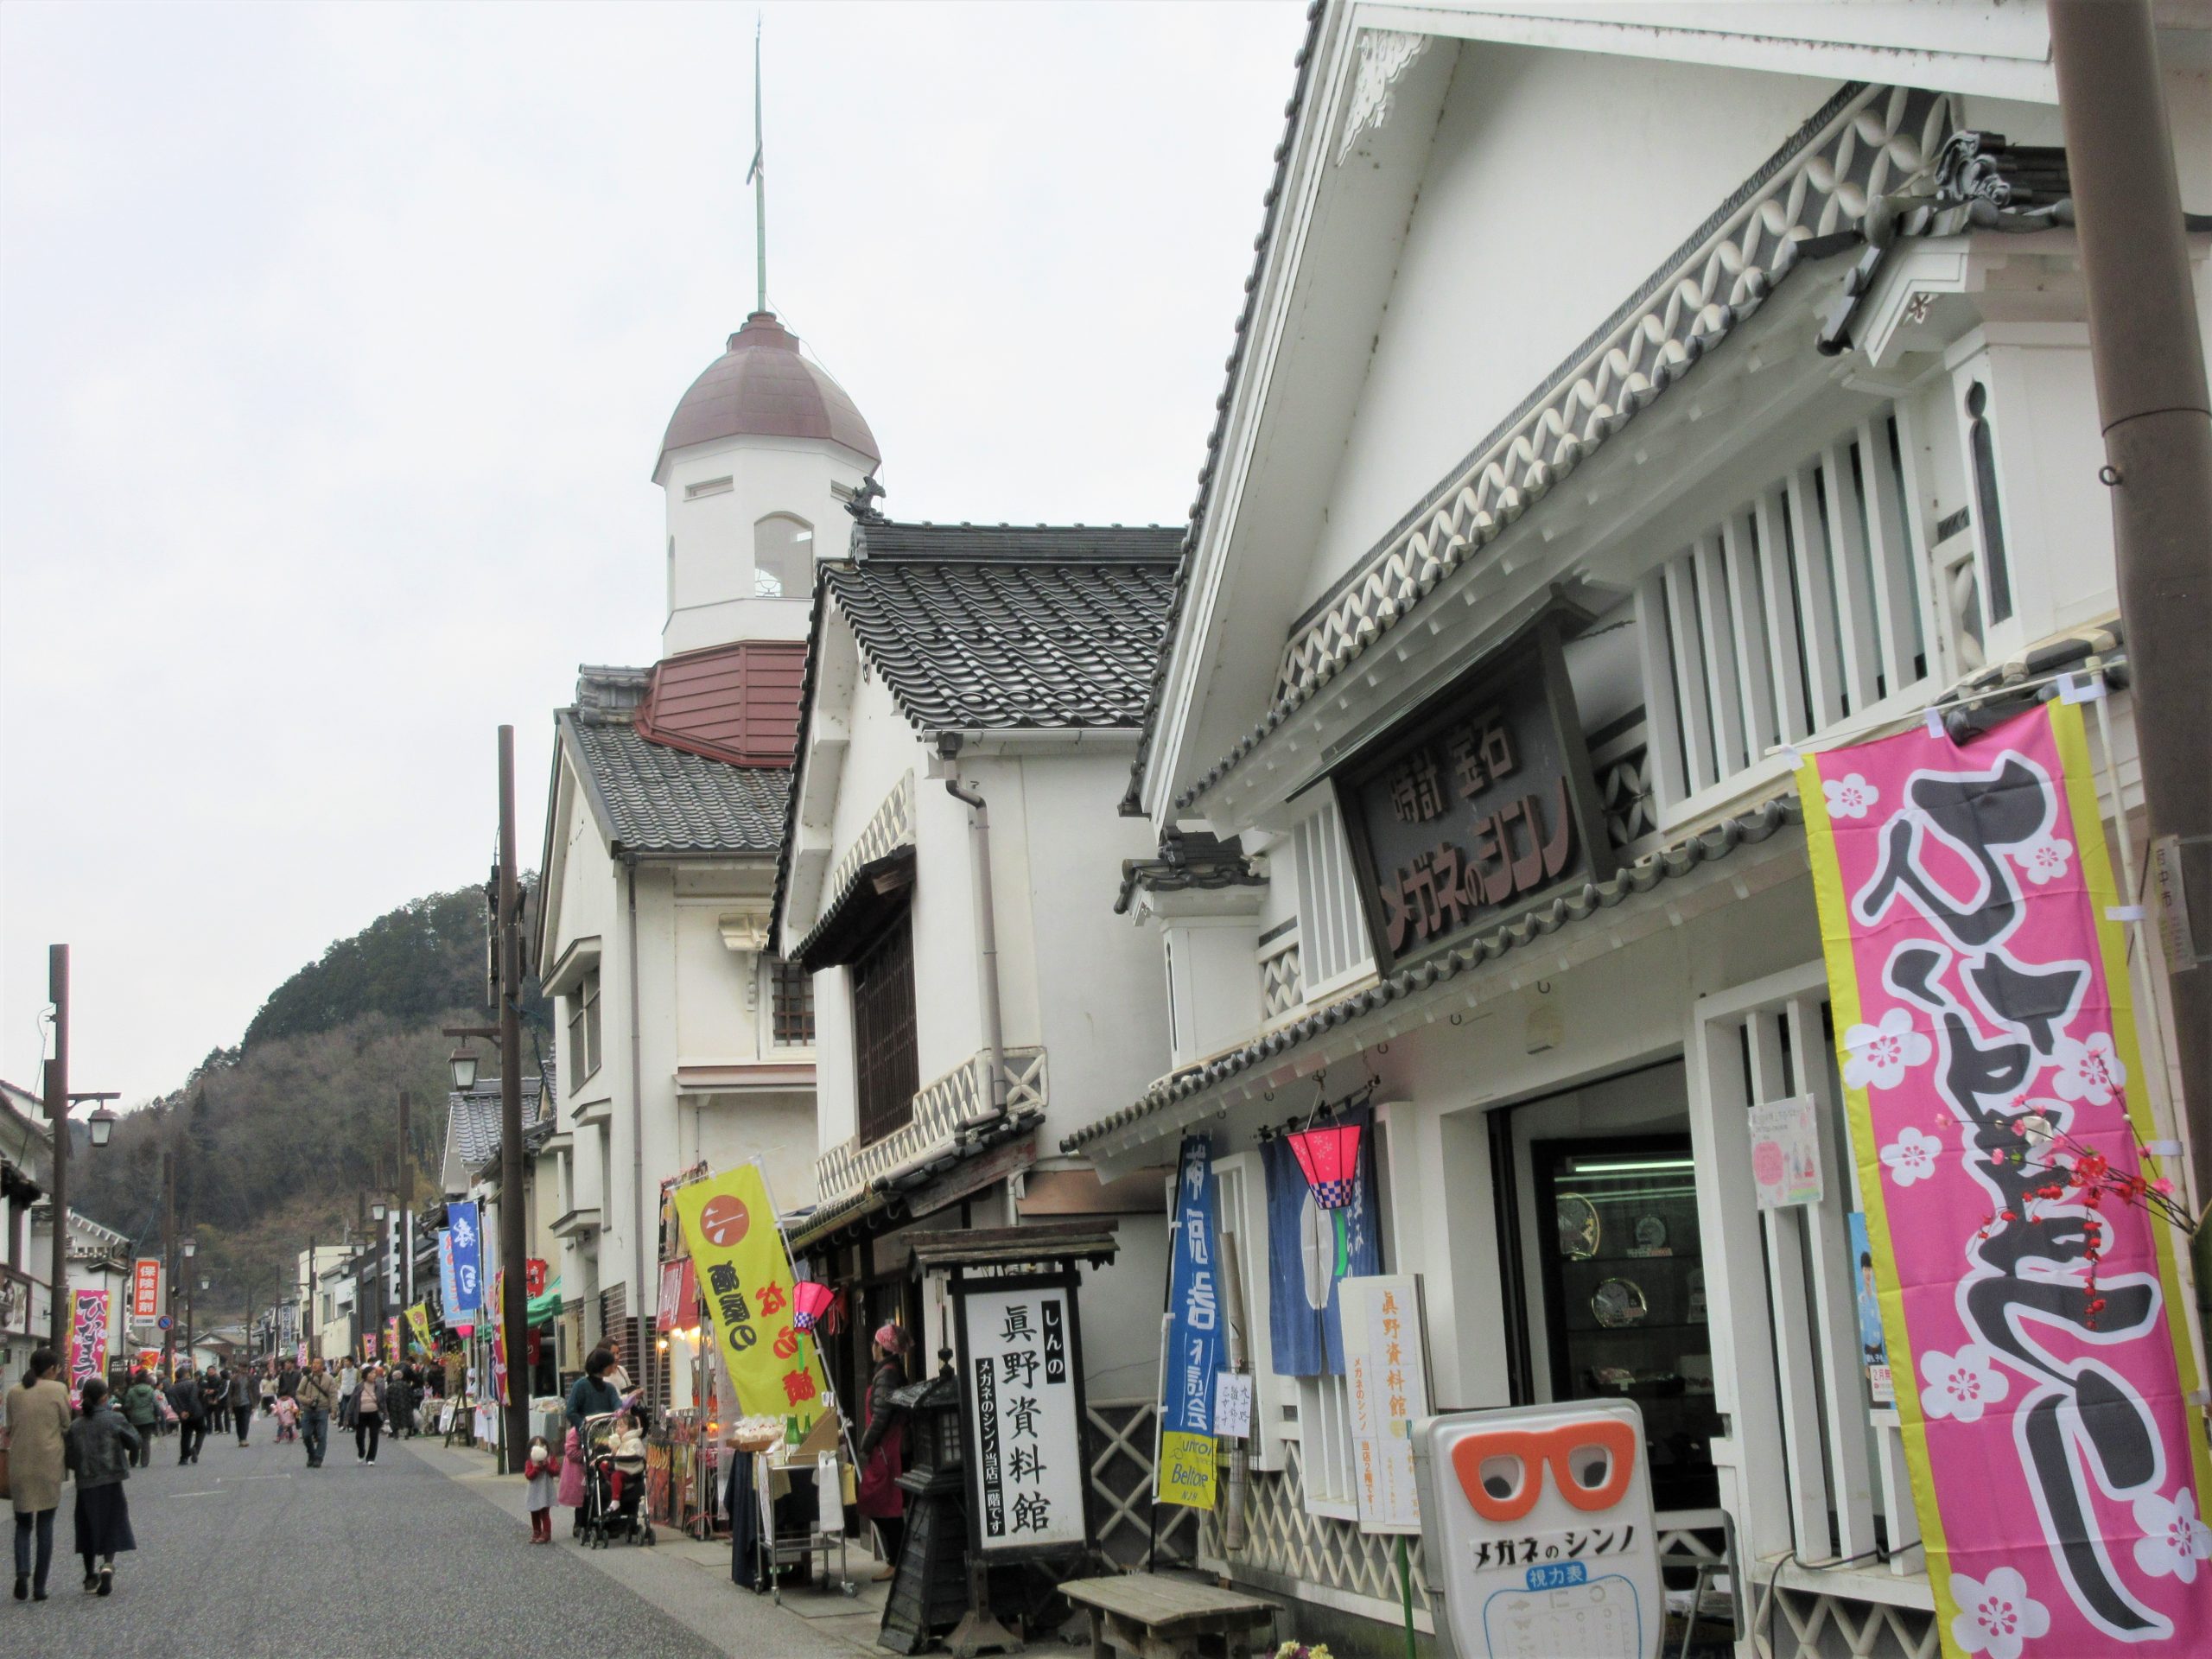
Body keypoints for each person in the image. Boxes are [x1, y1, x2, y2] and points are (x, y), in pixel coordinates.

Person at [64, 1376, 137, 1598]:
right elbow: (135, 1441)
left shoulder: (76, 1426)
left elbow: (68, 1459)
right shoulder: (114, 1419)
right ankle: (107, 1565)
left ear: (84, 1397)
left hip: (86, 1482)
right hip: (111, 1479)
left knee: (87, 1526)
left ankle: (89, 1576)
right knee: (111, 1523)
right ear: (105, 1397)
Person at [6, 1350, 70, 1601]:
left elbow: (9, 1428)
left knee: (22, 1524)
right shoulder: (58, 1389)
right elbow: (66, 1424)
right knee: (45, 1525)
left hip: (19, 1463)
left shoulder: (14, 1391)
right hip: (49, 1464)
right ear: (53, 1368)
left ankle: (22, 1572)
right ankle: (40, 1586)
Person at [857, 1324, 912, 1580]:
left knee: (884, 1505)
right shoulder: (890, 1372)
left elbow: (880, 1417)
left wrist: (865, 1445)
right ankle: (896, 1559)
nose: (872, 1347)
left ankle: (896, 1559)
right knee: (880, 1504)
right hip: (886, 1449)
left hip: (886, 1451)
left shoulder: (886, 1374)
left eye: (874, 1343)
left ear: (880, 1347)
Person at [563, 1349, 622, 1436]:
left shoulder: (610, 1388)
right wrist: (584, 1426)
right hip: (587, 1436)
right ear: (602, 1366)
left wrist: (621, 1409)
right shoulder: (581, 1385)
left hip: (608, 1435)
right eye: (610, 1364)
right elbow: (570, 1412)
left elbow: (618, 1405)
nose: (612, 1367)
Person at [295, 1358, 339, 1469]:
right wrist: (306, 1400)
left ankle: (318, 1458)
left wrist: (334, 1410)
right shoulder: (306, 1378)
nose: (314, 1365)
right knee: (306, 1435)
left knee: (322, 1435)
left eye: (317, 1363)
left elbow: (333, 1395)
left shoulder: (329, 1378)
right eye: (313, 1363)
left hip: (322, 1410)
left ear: (322, 1366)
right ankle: (311, 1454)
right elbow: (299, 1394)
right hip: (308, 1410)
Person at [166, 1363, 207, 1465]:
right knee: (201, 1430)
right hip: (196, 1413)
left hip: (183, 1415)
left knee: (186, 1435)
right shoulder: (193, 1384)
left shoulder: (172, 1389)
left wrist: (181, 1412)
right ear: (186, 1375)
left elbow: (173, 1404)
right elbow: (193, 1398)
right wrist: (189, 1411)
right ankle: (195, 1449)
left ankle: (183, 1458)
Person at [120, 1370, 161, 1469]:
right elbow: (156, 1404)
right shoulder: (150, 1390)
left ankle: (133, 1461)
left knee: (135, 1439)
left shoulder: (132, 1391)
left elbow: (127, 1405)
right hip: (148, 1418)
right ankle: (144, 1462)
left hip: (135, 1418)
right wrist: (157, 1415)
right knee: (146, 1440)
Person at [523, 1434, 559, 1544]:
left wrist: (547, 1466)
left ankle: (546, 1533)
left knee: (544, 1512)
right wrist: (536, 1469)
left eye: (542, 1445)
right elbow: (529, 1475)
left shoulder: (550, 1459)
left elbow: (555, 1472)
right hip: (534, 1490)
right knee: (534, 1512)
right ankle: (536, 1531)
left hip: (545, 1489)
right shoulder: (530, 1462)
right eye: (536, 1445)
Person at [354, 1364, 385, 1465]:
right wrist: (347, 1415)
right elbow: (353, 1401)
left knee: (374, 1435)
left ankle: (371, 1458)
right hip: (361, 1413)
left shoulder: (378, 1387)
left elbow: (383, 1402)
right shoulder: (359, 1386)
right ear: (366, 1375)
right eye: (372, 1373)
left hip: (374, 1413)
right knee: (359, 1436)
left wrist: (386, 1415)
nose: (374, 1375)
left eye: (375, 1373)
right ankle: (361, 1451)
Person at [227, 1361, 254, 1445]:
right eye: (242, 1367)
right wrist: (229, 1405)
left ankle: (244, 1439)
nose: (244, 1369)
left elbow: (254, 1390)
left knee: (246, 1421)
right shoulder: (234, 1378)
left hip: (247, 1402)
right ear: (239, 1368)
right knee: (239, 1422)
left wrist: (254, 1403)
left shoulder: (250, 1378)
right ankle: (240, 1438)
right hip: (236, 1403)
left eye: (245, 1368)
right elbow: (230, 1392)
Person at [336, 1358, 359, 1431]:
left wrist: (356, 1389)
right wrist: (340, 1387)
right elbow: (338, 1380)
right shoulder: (342, 1371)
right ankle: (342, 1424)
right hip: (344, 1393)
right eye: (345, 1361)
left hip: (353, 1393)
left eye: (347, 1361)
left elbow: (359, 1381)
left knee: (352, 1410)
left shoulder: (356, 1371)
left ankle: (351, 1425)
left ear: (351, 1362)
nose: (345, 1363)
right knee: (343, 1409)